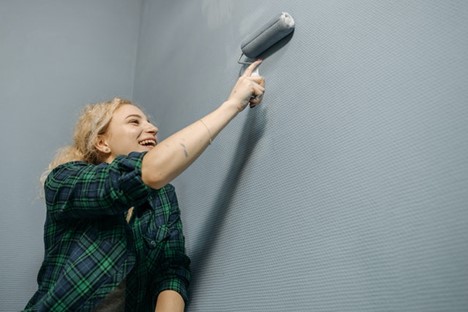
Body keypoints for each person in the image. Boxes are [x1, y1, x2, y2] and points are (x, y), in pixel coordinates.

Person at [24, 60, 265, 312]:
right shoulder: (64, 180)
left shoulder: (163, 197)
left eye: (148, 122)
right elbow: (145, 173)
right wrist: (231, 105)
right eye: (134, 122)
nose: (152, 128)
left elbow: (171, 269)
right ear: (102, 143)